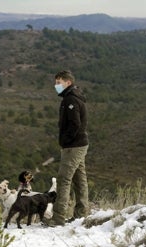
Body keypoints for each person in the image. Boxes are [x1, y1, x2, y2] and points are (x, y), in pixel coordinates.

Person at [48, 70, 89, 226]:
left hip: (74, 146)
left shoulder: (70, 100)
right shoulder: (73, 97)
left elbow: (75, 124)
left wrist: (66, 141)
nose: (56, 85)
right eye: (56, 82)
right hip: (80, 144)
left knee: (64, 180)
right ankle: (81, 214)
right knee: (80, 180)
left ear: (68, 83)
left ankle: (58, 218)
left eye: (59, 83)